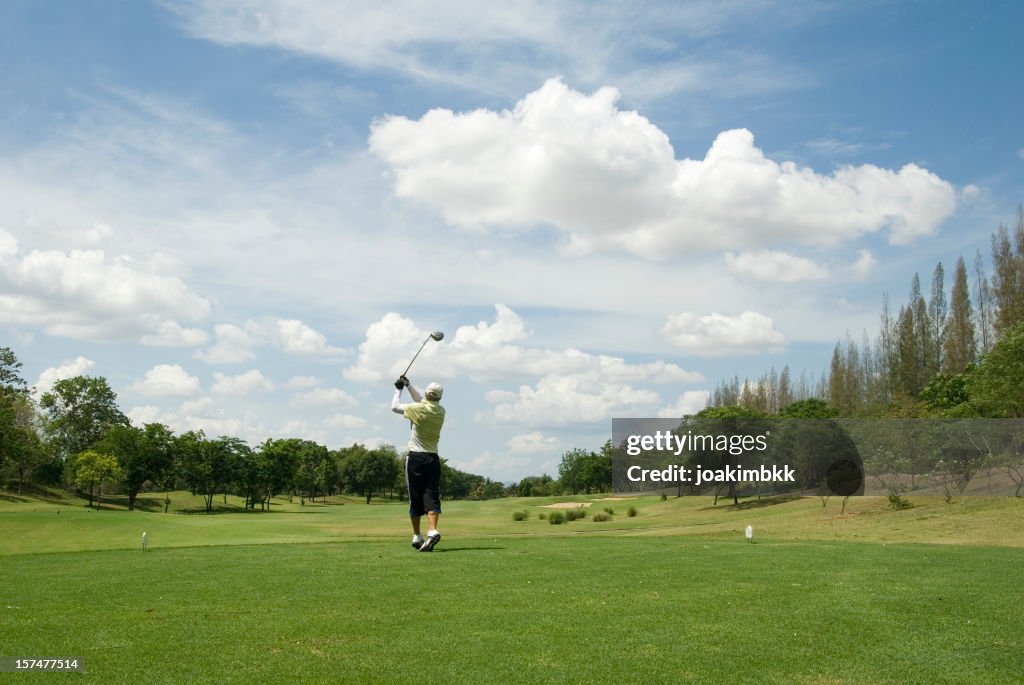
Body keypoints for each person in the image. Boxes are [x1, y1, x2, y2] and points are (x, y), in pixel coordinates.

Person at [391, 375, 445, 552]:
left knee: (415, 497)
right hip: (433, 458)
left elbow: (395, 407)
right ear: (439, 397)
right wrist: (408, 385)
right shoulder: (440, 411)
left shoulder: (418, 409)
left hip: (416, 458)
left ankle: (416, 535)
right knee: (431, 495)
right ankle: (431, 531)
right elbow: (422, 400)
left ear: (427, 394)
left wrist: (398, 389)